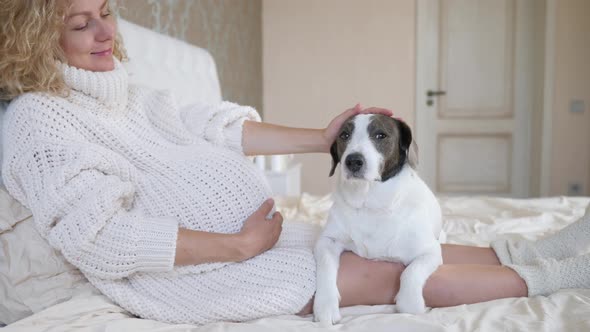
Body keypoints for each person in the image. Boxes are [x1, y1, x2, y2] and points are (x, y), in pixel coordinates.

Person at [1, 0, 589, 326]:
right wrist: (238, 248)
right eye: (82, 23)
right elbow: (97, 235)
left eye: (106, 10)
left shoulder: (127, 94)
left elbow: (218, 125)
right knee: (382, 275)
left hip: (249, 238)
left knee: (396, 245)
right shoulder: (39, 119)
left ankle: (545, 248)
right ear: (34, 38)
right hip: (194, 274)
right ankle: (552, 276)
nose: (107, 31)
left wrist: (325, 137)